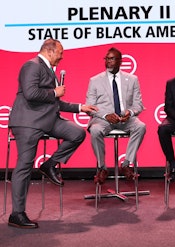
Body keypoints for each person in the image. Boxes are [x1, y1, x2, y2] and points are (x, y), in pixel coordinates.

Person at [7, 38, 98, 229]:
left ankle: (49, 165)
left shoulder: (49, 70)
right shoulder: (31, 66)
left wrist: (81, 107)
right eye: (60, 53)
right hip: (28, 122)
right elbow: (31, 94)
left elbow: (55, 103)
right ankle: (17, 214)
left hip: (49, 120)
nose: (62, 57)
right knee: (24, 166)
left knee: (77, 133)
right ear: (49, 51)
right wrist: (54, 93)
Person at [85, 47, 146, 185]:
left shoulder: (132, 79)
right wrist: (106, 115)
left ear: (120, 61)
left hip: (125, 119)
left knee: (141, 126)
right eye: (106, 58)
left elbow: (138, 104)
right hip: (103, 119)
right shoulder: (95, 80)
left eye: (112, 58)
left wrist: (129, 112)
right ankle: (102, 168)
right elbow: (89, 107)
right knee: (95, 130)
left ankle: (126, 164)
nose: (108, 61)